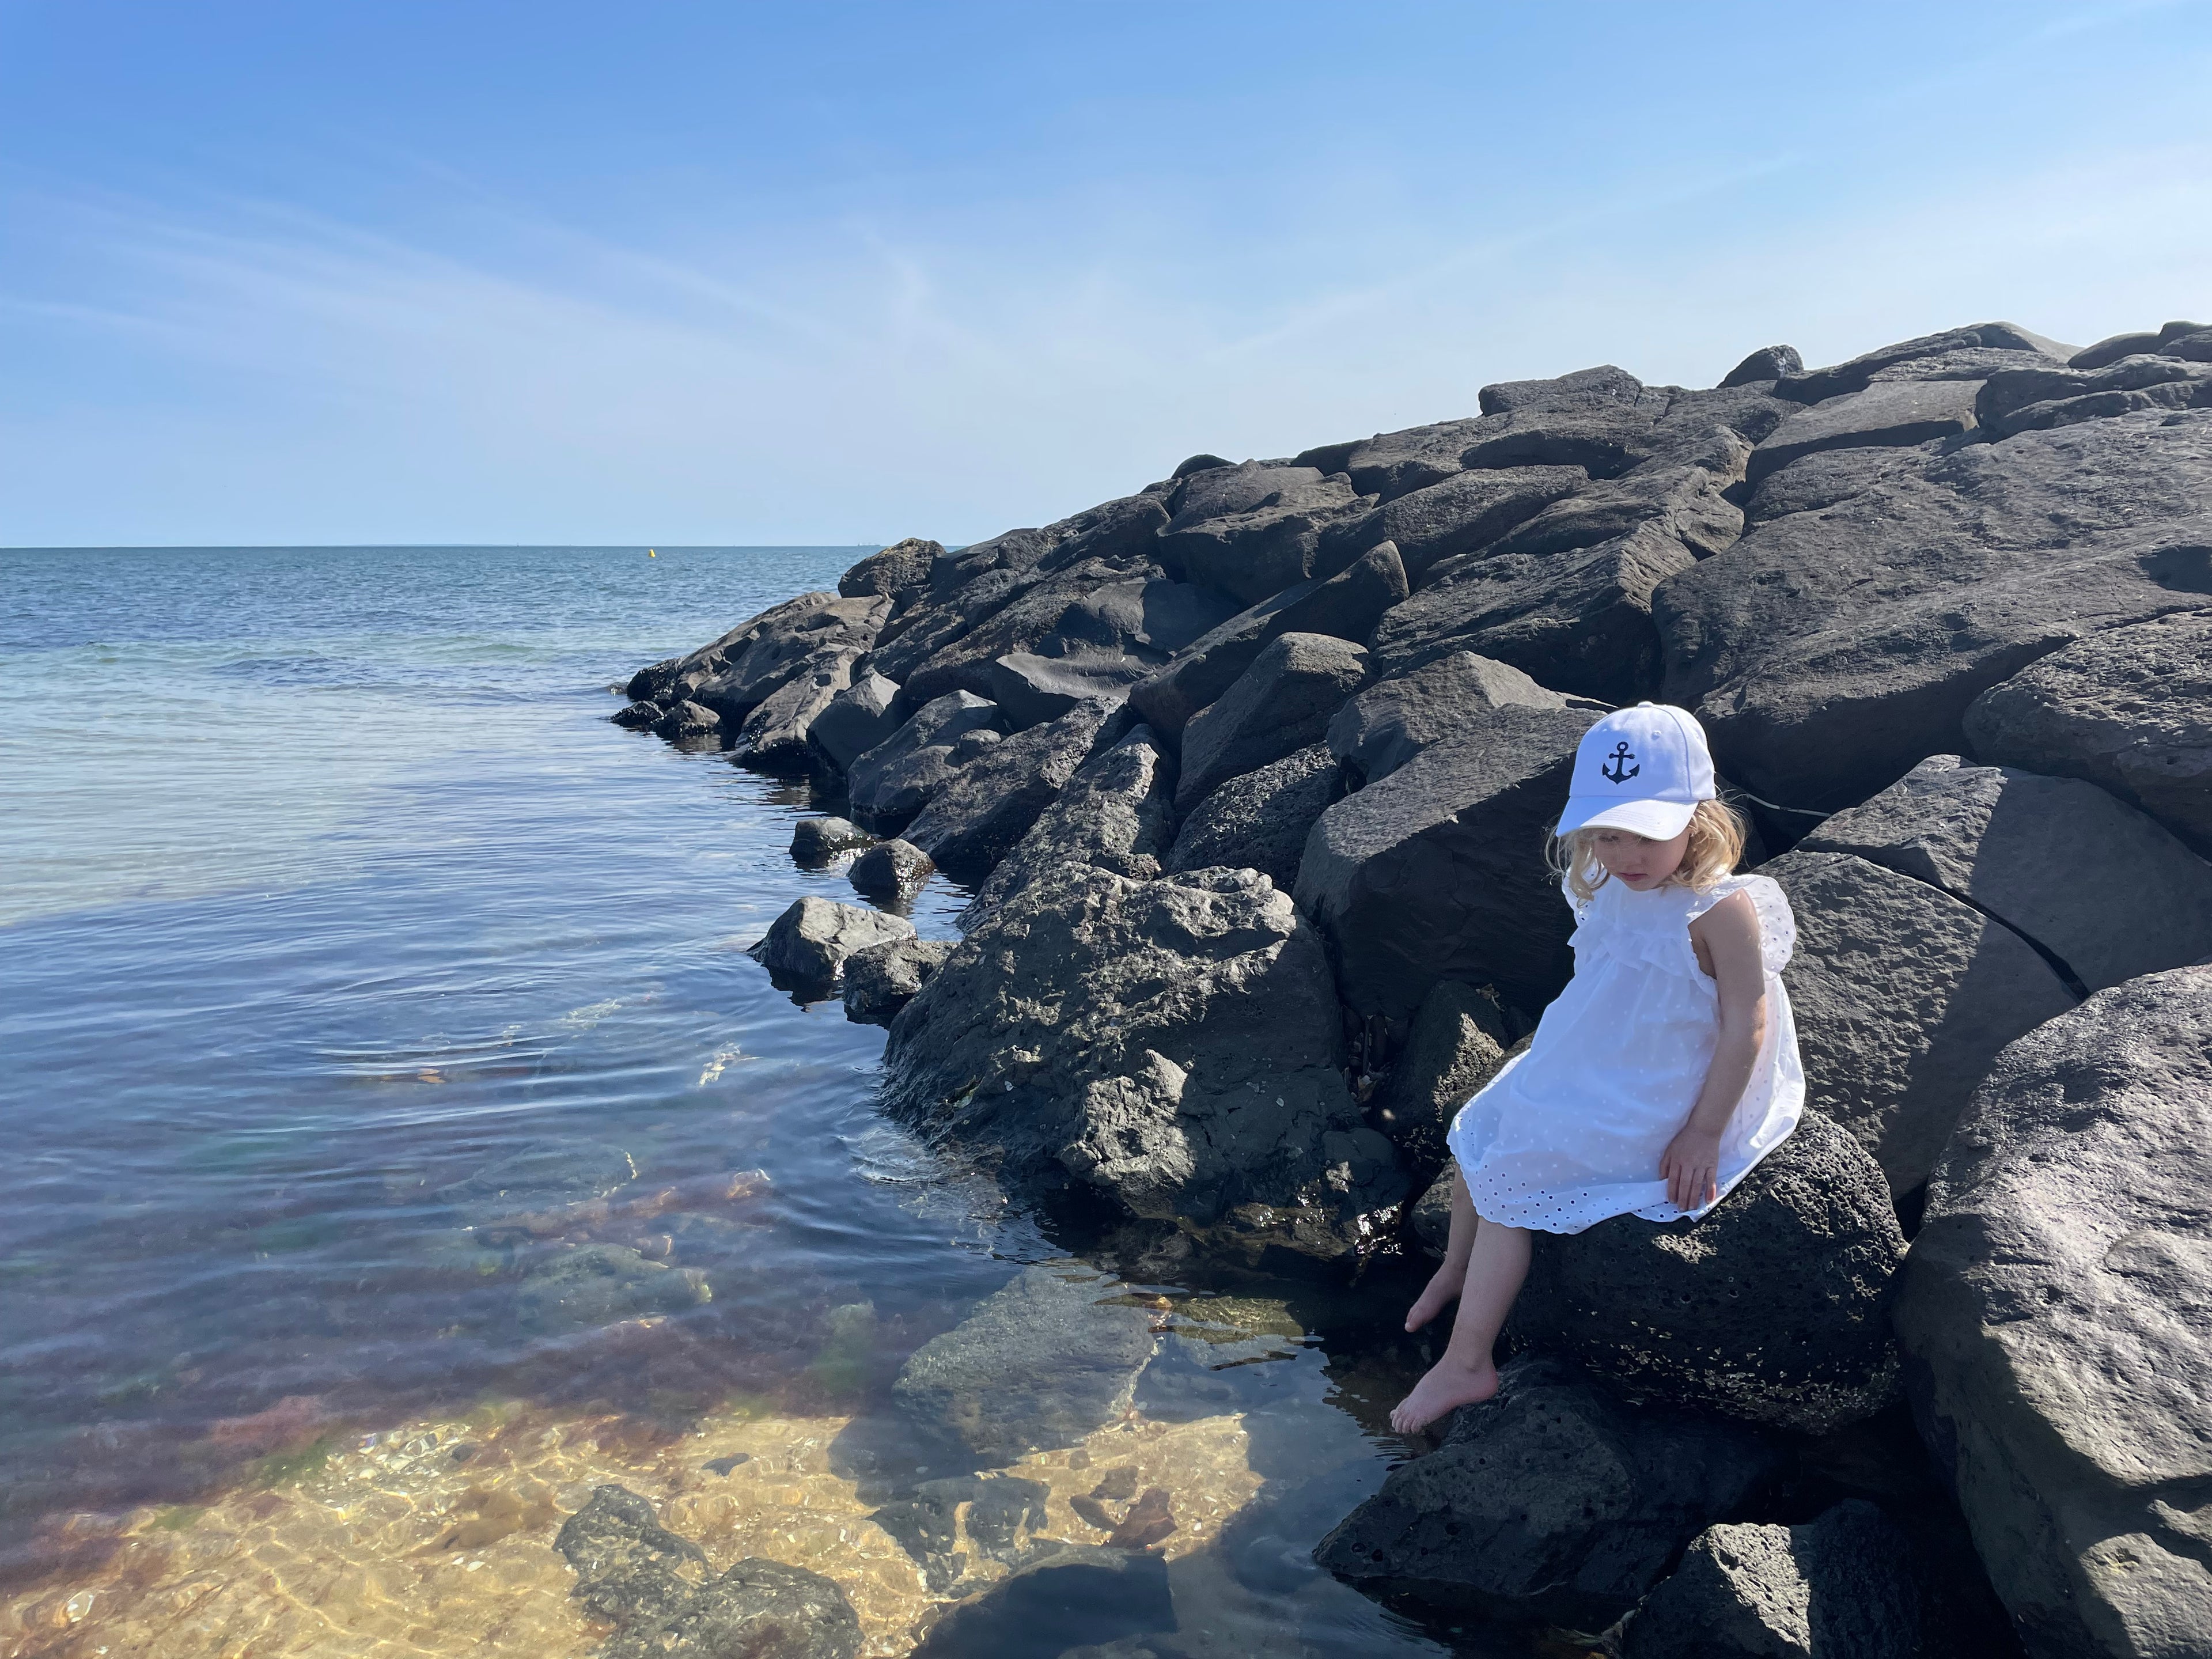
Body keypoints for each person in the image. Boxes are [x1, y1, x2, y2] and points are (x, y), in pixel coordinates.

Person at [1389, 702, 1804, 1434]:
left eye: (1647, 834)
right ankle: (1456, 1270)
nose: (1625, 854)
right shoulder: (1608, 879)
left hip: (1667, 1080)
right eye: (1607, 833)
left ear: (1698, 819)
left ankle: (1468, 1361)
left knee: (1516, 1177)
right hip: (1606, 1048)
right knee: (1486, 1118)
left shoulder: (1719, 909)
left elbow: (1748, 1022)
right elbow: (1611, 981)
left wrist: (1704, 1131)